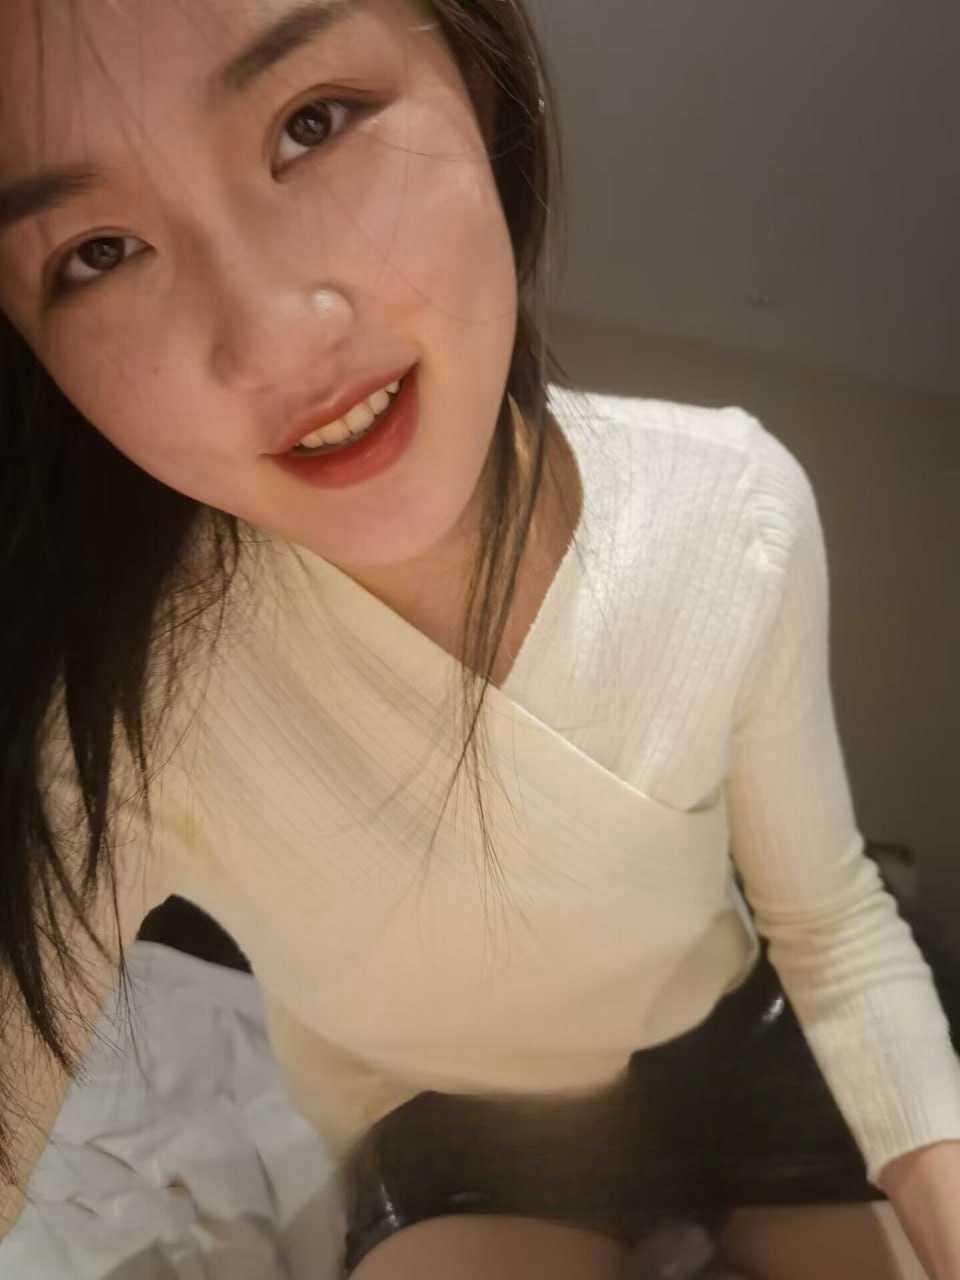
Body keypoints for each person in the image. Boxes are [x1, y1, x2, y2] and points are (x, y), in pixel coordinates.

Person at [1, 2, 959, 1277]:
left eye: (313, 124)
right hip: (460, 1120)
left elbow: (830, 917)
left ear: (483, 81)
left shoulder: (735, 509)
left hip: (744, 1049)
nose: (276, 336)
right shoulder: (132, 704)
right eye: (101, 251)